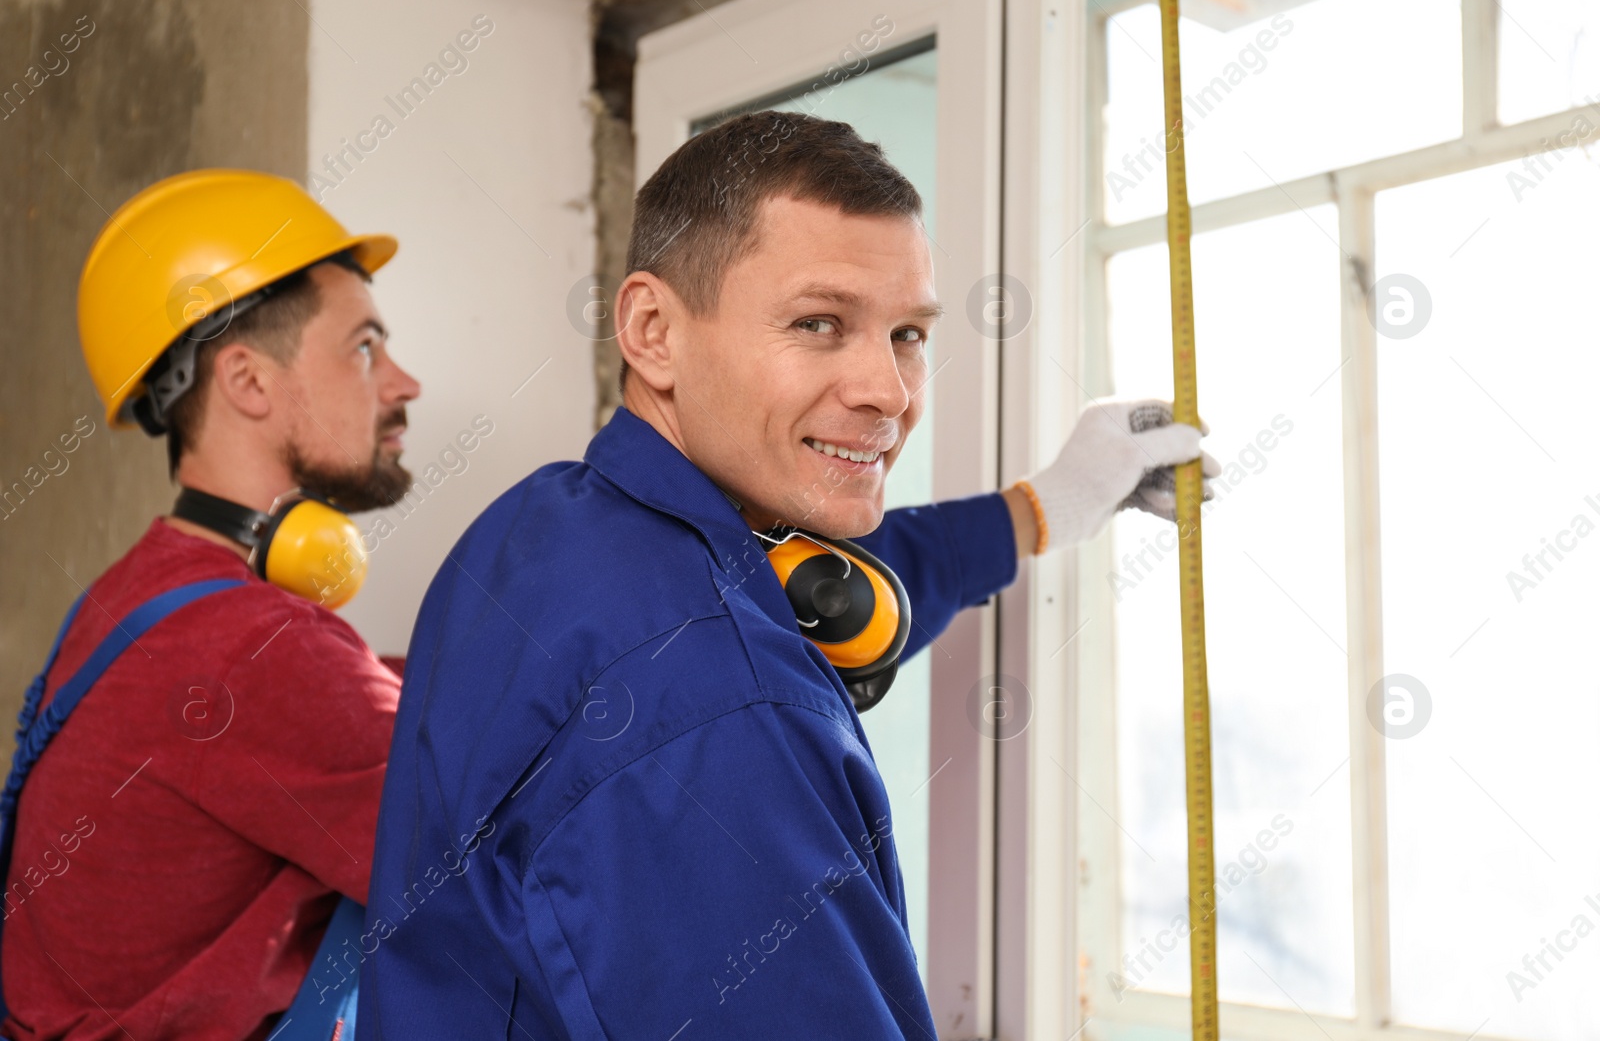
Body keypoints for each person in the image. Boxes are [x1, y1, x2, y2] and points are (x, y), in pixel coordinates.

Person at [360, 111, 1215, 1038]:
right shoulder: (722, 711)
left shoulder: (546, 524)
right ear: (652, 329)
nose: (889, 390)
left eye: (908, 335)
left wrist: (1041, 508)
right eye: (819, 323)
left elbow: (826, 587)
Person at [0, 170, 419, 1040]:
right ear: (248, 383)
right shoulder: (256, 647)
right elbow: (516, 869)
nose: (402, 383)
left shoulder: (136, 598)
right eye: (366, 347)